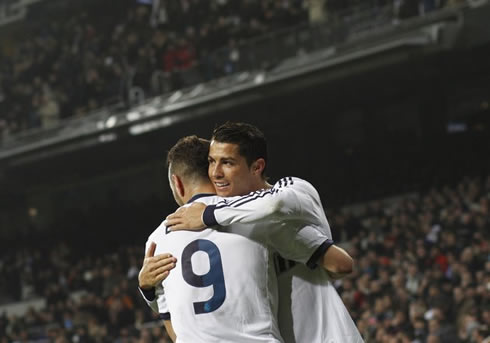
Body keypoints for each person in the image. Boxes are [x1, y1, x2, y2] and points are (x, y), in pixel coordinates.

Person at [164, 122, 364, 343]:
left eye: (227, 163)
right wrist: (148, 287)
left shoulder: (293, 189)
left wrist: (207, 214)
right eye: (211, 162)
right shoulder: (234, 227)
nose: (216, 173)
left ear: (257, 167)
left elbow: (274, 206)